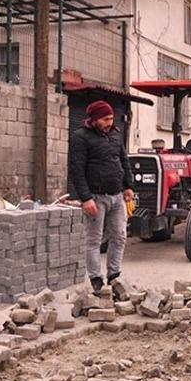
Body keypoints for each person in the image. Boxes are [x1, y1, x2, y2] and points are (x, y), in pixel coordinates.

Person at [68, 100, 134, 294]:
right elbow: (76, 170)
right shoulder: (80, 137)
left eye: (111, 118)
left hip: (117, 196)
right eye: (105, 119)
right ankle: (96, 278)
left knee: (120, 236)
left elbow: (123, 160)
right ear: (94, 119)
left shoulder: (115, 133)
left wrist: (128, 186)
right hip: (96, 198)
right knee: (94, 239)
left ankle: (114, 275)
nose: (109, 122)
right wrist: (85, 198)